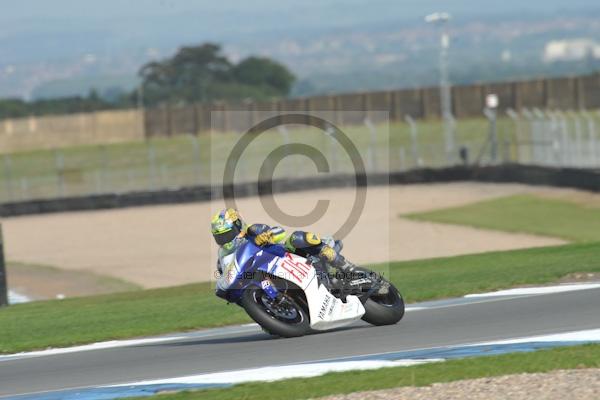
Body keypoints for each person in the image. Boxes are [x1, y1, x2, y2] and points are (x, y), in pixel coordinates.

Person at [210, 208, 348, 273]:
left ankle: (343, 265)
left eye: (227, 234)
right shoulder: (222, 260)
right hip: (269, 276)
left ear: (238, 225)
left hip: (287, 258)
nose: (225, 240)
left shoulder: (252, 231)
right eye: (220, 237)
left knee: (297, 237)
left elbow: (280, 231)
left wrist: (267, 236)